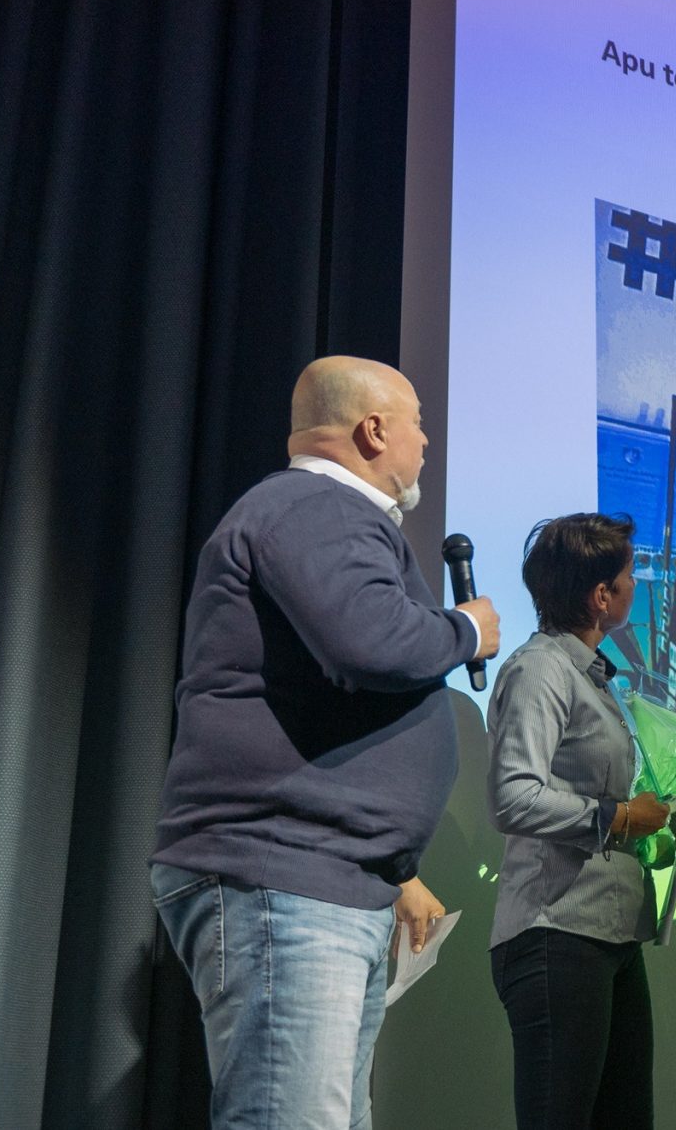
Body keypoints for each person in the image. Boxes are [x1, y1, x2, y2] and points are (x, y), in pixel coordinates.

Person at [150, 356, 503, 1129]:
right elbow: (370, 642)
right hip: (285, 874)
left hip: (323, 874)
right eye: (417, 422)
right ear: (373, 430)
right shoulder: (317, 504)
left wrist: (394, 867)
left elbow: (327, 702)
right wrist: (466, 628)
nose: (427, 441)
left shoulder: (320, 514)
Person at [490, 513, 671, 1129]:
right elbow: (514, 797)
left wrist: (648, 829)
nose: (635, 586)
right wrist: (620, 818)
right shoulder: (540, 669)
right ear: (601, 597)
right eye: (630, 575)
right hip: (556, 935)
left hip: (609, 936)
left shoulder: (594, 675)